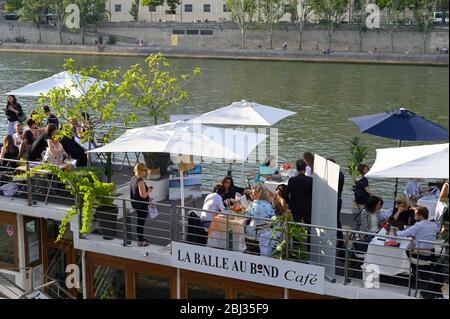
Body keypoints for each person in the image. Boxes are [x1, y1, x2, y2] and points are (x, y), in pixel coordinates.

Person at [245, 183, 275, 254]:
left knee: (243, 226)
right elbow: (272, 216)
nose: (252, 193)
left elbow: (246, 216)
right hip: (265, 232)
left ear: (257, 193)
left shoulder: (254, 204)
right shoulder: (268, 204)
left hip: (254, 232)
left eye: (253, 192)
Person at [130, 163, 153, 247]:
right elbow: (143, 195)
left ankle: (140, 238)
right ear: (140, 171)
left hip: (136, 204)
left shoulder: (133, 179)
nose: (146, 172)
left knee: (139, 222)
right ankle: (140, 240)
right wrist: (149, 190)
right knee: (141, 223)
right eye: (145, 170)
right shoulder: (140, 181)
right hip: (141, 205)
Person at [284, 159, 313, 224]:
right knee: (309, 226)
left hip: (295, 207)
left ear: (297, 169)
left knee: (295, 226)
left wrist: (289, 202)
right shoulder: (311, 180)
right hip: (307, 207)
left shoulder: (292, 180)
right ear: (305, 169)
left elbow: (285, 194)